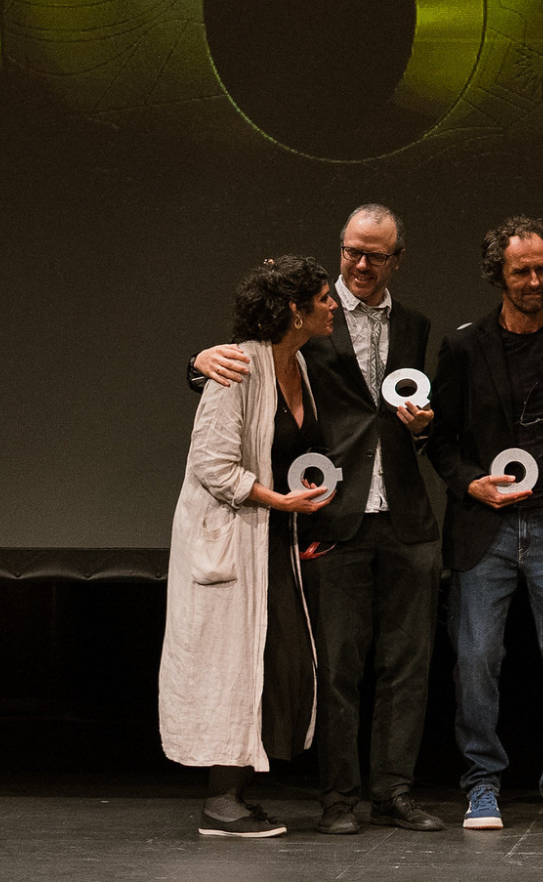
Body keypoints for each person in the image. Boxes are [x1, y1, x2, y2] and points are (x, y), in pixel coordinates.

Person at [188, 206, 444, 835]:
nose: (358, 264)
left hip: (407, 515)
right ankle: (339, 799)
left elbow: (403, 412)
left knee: (407, 666)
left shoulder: (416, 325)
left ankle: (395, 792)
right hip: (334, 513)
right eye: (351, 251)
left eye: (373, 255)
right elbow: (244, 374)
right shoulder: (310, 322)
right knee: (337, 667)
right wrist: (197, 362)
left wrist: (423, 428)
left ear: (396, 260)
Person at [427, 217, 543, 832]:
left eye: (541, 269)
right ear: (497, 275)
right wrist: (469, 480)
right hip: (488, 525)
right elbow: (441, 440)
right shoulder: (464, 348)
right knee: (476, 659)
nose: (533, 281)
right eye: (520, 271)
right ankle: (482, 784)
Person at [160, 255, 336, 837]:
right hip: (231, 541)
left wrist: (305, 491)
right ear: (295, 308)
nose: (332, 305)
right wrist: (274, 499)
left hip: (273, 539)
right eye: (324, 297)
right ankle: (221, 800)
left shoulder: (300, 366)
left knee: (275, 660)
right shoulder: (238, 365)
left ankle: (237, 792)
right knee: (231, 663)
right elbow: (212, 464)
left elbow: (286, 447)